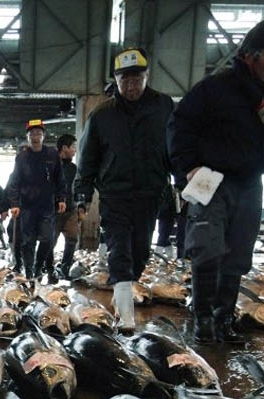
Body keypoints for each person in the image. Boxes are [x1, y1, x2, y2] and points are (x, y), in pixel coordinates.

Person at [169, 20, 264, 344]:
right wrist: (188, 167)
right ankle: (203, 319)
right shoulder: (215, 88)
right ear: (250, 55)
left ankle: (224, 318)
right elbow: (180, 126)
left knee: (238, 253)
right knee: (207, 248)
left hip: (250, 182)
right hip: (210, 178)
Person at [74, 49, 174, 332]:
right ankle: (126, 318)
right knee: (120, 251)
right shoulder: (102, 114)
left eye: (137, 79)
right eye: (125, 81)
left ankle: (123, 294)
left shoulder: (164, 107)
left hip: (150, 193)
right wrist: (83, 193)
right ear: (116, 81)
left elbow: (177, 147)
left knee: (140, 251)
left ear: (147, 76)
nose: (131, 86)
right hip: (114, 194)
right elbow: (87, 157)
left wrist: (183, 179)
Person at [6, 120, 66, 281]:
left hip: (46, 205)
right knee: (28, 242)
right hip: (27, 206)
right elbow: (14, 182)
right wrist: (14, 204)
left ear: (43, 136)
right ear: (27, 137)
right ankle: (29, 273)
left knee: (47, 239)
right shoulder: (22, 157)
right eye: (31, 134)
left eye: (38, 133)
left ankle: (38, 267)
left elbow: (60, 178)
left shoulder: (52, 154)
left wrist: (61, 198)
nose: (35, 137)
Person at [50, 134, 82, 280]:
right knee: (50, 242)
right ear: (64, 148)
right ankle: (48, 269)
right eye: (73, 147)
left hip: (70, 210)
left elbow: (77, 188)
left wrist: (81, 205)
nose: (75, 150)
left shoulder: (73, 168)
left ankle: (65, 268)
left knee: (72, 239)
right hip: (54, 211)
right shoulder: (51, 165)